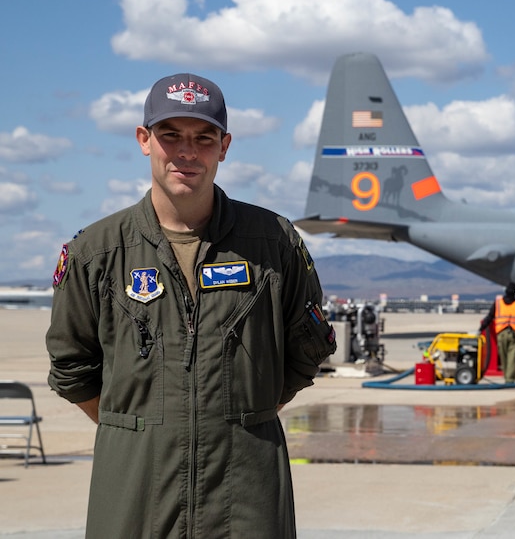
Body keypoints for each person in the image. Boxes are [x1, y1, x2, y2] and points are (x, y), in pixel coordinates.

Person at [46, 73, 337, 538]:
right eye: (170, 135)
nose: (187, 152)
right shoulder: (97, 252)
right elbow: (71, 365)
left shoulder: (272, 242)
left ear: (224, 146)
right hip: (136, 492)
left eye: (203, 138)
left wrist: (244, 415)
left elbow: (307, 347)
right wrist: (142, 432)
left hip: (246, 494)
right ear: (144, 140)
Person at [479, 282, 515, 383]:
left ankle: (507, 377)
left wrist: (481, 328)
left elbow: (489, 317)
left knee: (503, 357)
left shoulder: (498, 303)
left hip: (501, 333)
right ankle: (510, 380)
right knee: (512, 358)